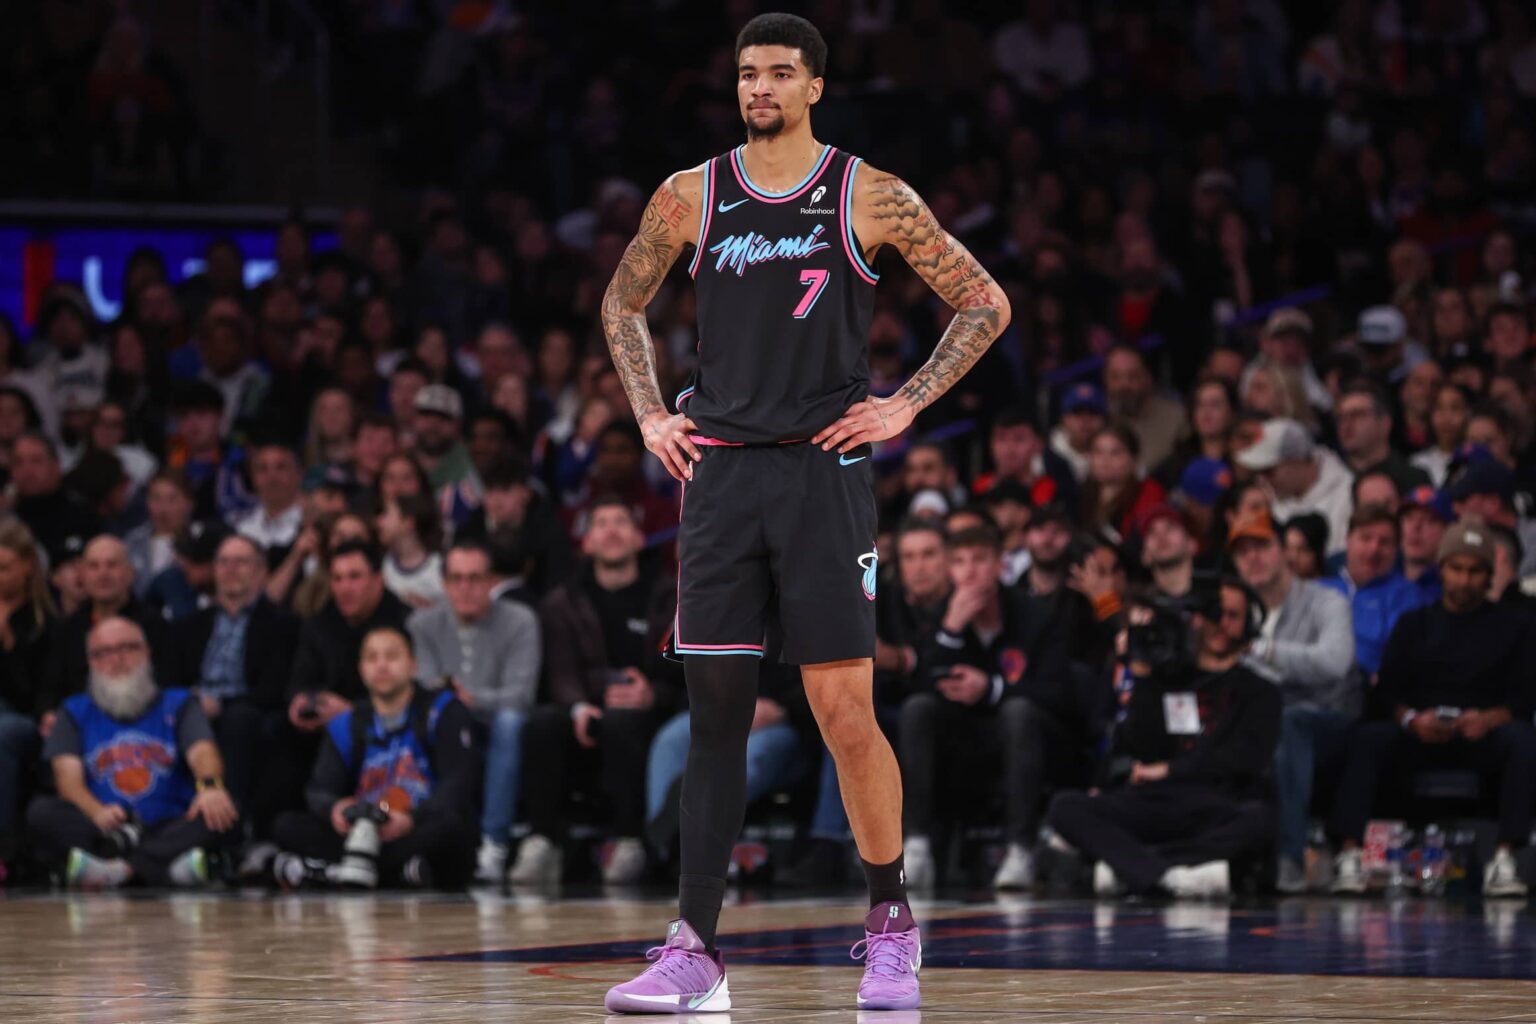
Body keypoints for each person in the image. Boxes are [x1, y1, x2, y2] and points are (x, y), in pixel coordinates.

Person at [599, 13, 1010, 1013]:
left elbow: (985, 301)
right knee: (715, 719)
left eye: (781, 73)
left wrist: (906, 401)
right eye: (748, 74)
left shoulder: (869, 192)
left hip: (825, 475)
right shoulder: (689, 194)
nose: (761, 90)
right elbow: (621, 304)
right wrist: (651, 413)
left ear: (816, 84)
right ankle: (695, 947)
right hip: (721, 478)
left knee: (841, 710)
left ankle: (890, 924)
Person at [1329, 519, 1536, 898]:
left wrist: (1490, 718)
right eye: (1456, 568)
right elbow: (1385, 694)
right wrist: (1411, 719)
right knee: (1366, 737)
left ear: (1489, 575)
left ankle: (1506, 859)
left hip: (1482, 738)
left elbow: (1524, 697)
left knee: (1523, 740)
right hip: (1420, 737)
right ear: (1442, 570)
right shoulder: (1414, 625)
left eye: (1475, 571)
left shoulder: (1516, 626)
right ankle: (1350, 854)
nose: (1464, 580)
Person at [1048, 579, 1282, 898]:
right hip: (1154, 800)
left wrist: (1173, 770)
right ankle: (1177, 874)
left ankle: (1133, 869)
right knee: (1065, 807)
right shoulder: (1166, 678)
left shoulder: (1262, 692)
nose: (1220, 624)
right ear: (1195, 619)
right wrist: (1142, 674)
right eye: (1212, 613)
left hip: (1215, 803)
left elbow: (1244, 760)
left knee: (1261, 820)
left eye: (1232, 615)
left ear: (1249, 625)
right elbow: (1143, 745)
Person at [898, 524, 1076, 891]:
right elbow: (922, 684)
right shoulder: (942, 615)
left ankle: (1020, 850)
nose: (969, 571)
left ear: (1000, 567)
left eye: (980, 560)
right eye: (959, 562)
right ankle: (915, 846)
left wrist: (993, 688)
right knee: (917, 710)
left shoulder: (1035, 615)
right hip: (963, 743)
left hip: (1027, 739)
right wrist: (951, 629)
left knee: (1018, 712)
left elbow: (1060, 693)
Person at [518, 497, 679, 886]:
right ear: (586, 542)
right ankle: (542, 841)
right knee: (541, 723)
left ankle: (630, 842)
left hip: (650, 713)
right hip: (586, 710)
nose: (611, 530)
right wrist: (578, 706)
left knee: (623, 722)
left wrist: (651, 694)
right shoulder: (561, 601)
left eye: (621, 521)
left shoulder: (671, 596)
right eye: (601, 523)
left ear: (639, 539)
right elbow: (560, 671)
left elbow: (684, 672)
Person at [27, 617, 238, 887]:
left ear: (146, 652)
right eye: (104, 652)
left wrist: (210, 787)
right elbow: (67, 779)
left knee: (224, 809)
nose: (117, 659)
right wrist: (97, 812)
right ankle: (165, 868)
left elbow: (202, 751)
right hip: (104, 825)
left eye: (127, 648)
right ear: (91, 661)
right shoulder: (74, 710)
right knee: (41, 812)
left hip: (169, 821)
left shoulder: (179, 702)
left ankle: (119, 871)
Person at [270, 626, 479, 890]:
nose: (381, 665)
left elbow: (457, 784)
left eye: (391, 656)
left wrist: (410, 819)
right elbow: (319, 789)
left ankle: (339, 872)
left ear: (412, 665)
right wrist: (337, 809)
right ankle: (396, 874)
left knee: (453, 830)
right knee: (286, 825)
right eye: (372, 658)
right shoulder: (347, 722)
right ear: (361, 670)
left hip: (415, 825)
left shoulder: (443, 709)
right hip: (364, 831)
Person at [1227, 511, 1355, 893]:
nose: (1253, 558)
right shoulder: (1235, 613)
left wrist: (1263, 652)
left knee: (1288, 720)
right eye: (1242, 551)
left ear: (1286, 552)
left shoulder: (1326, 601)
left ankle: (1290, 857)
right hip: (1261, 726)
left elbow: (1334, 662)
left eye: (1262, 546)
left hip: (1327, 723)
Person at [407, 540, 541, 883]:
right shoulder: (421, 624)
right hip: (447, 725)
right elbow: (422, 686)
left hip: (498, 726)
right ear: (444, 583)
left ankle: (494, 844)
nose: (465, 588)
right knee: (441, 719)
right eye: (456, 578)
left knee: (510, 721)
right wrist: (456, 703)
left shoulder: (520, 620)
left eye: (475, 578)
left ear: (492, 582)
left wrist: (471, 698)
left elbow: (521, 694)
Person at [174, 534, 300, 839]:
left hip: (247, 710)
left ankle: (228, 830)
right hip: (193, 707)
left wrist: (219, 702)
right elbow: (170, 678)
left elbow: (276, 688)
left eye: (241, 562)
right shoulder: (189, 625)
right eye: (223, 562)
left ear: (261, 571)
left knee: (239, 719)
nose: (231, 569)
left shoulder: (283, 624)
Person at [41, 535, 176, 719]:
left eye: (112, 565)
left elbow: (168, 685)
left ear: (130, 573)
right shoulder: (67, 629)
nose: (103, 574)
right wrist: (48, 714)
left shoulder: (155, 624)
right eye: (94, 566)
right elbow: (50, 688)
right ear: (83, 576)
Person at [1318, 505, 1430, 687]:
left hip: (1364, 694)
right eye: (1365, 538)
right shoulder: (1318, 589)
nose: (1374, 549)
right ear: (1348, 541)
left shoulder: (1409, 598)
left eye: (1384, 542)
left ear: (1396, 549)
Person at [0, 521, 54, 873]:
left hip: (26, 725)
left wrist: (6, 643)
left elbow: (34, 697)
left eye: (3, 568)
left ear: (28, 567)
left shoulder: (44, 624)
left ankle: (2, 846)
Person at [1237, 418, 1353, 557]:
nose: (1262, 481)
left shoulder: (1347, 495)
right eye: (1258, 472)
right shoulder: (1269, 497)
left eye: (1268, 471)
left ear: (1297, 460)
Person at [1333, 380, 1431, 493]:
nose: (1346, 425)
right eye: (1341, 418)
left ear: (1385, 423)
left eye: (1358, 415)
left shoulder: (1413, 479)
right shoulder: (1331, 479)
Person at [234, 443, 305, 570]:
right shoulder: (243, 530)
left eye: (281, 467)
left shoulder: (309, 524)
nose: (272, 477)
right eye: (262, 469)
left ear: (298, 474)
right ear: (253, 479)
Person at [376, 492, 446, 609]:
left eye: (386, 514)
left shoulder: (439, 568)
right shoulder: (382, 565)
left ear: (408, 523)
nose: (379, 522)